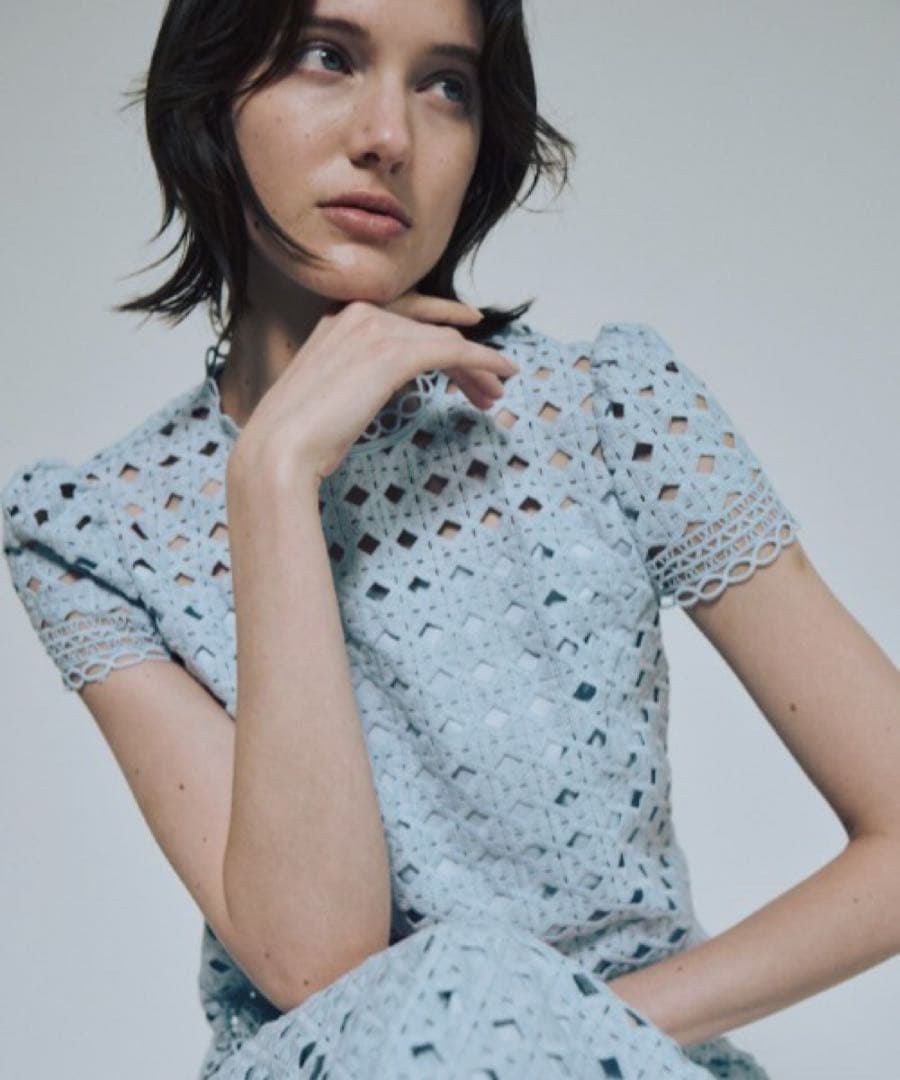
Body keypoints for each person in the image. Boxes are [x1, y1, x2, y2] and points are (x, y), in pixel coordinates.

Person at [2, 1, 898, 1077]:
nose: (390, 135)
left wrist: (560, 1024)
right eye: (327, 57)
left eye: (446, 86)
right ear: (212, 93)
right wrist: (274, 480)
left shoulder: (606, 412)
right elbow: (320, 962)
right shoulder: (94, 533)